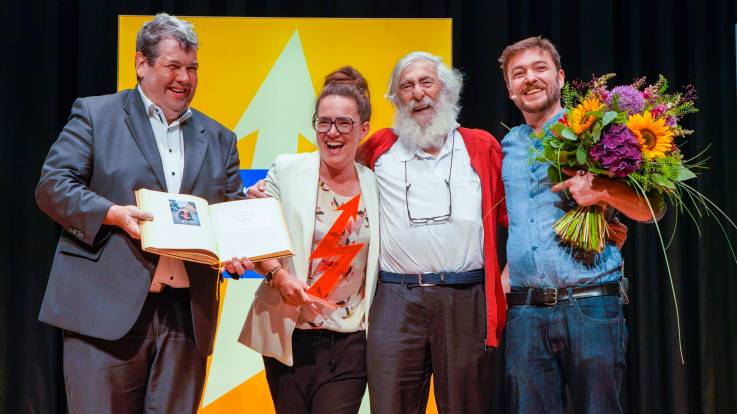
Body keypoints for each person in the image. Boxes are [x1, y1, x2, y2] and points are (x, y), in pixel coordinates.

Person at [35, 13, 253, 413]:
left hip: (185, 317)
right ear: (141, 63)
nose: (184, 79)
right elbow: (52, 188)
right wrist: (113, 213)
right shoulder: (97, 115)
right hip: (103, 312)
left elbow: (229, 210)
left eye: (192, 68)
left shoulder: (220, 138)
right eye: (173, 66)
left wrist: (238, 248)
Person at [498, 36, 663, 413]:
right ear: (510, 90)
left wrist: (601, 190)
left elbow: (652, 209)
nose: (530, 79)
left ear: (560, 76)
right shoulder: (508, 145)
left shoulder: (596, 133)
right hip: (526, 312)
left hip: (589, 305)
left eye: (540, 68)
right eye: (518, 74)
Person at [357, 51, 507, 414]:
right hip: (395, 299)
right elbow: (335, 181)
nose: (418, 94)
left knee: (467, 406)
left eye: (427, 82)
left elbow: (513, 218)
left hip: (465, 297)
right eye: (406, 87)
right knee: (391, 404)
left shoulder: (481, 146)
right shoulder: (378, 148)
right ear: (395, 99)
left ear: (449, 91)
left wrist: (507, 276)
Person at [239, 67, 380, 414]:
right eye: (324, 122)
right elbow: (255, 233)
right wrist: (277, 275)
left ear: (363, 129)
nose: (333, 132)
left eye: (344, 123)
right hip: (288, 335)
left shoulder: (379, 185)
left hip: (348, 343)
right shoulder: (287, 170)